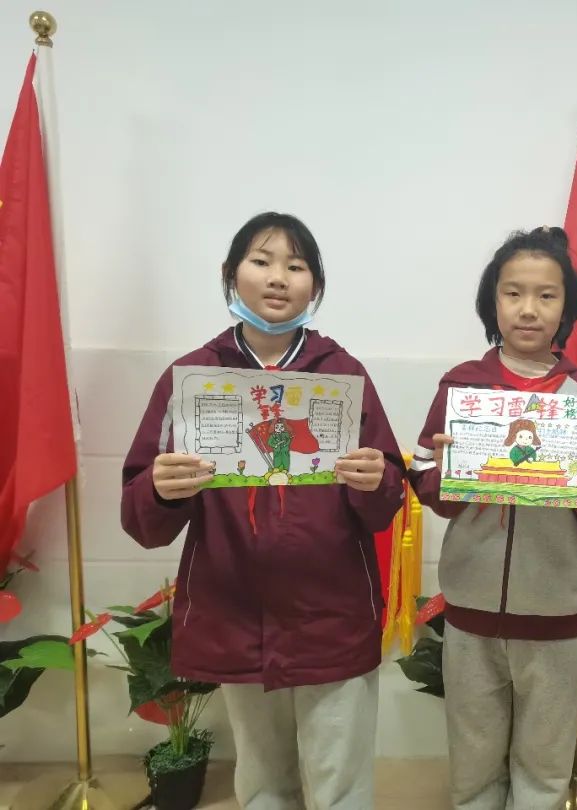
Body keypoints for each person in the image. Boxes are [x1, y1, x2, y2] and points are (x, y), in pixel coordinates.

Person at [120, 212, 404, 810]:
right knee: (262, 778)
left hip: (331, 614)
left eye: (296, 266)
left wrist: (376, 480)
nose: (278, 277)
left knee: (339, 779)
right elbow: (141, 517)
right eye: (261, 261)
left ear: (315, 286)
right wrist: (160, 489)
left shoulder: (342, 375)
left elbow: (386, 499)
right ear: (231, 274)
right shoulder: (193, 379)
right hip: (236, 610)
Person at [408, 227, 577, 810]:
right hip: (471, 605)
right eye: (513, 293)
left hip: (556, 607)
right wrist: (446, 471)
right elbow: (427, 481)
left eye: (546, 295)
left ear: (567, 308)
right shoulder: (463, 386)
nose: (529, 309)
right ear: (492, 303)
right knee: (474, 750)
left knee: (546, 757)